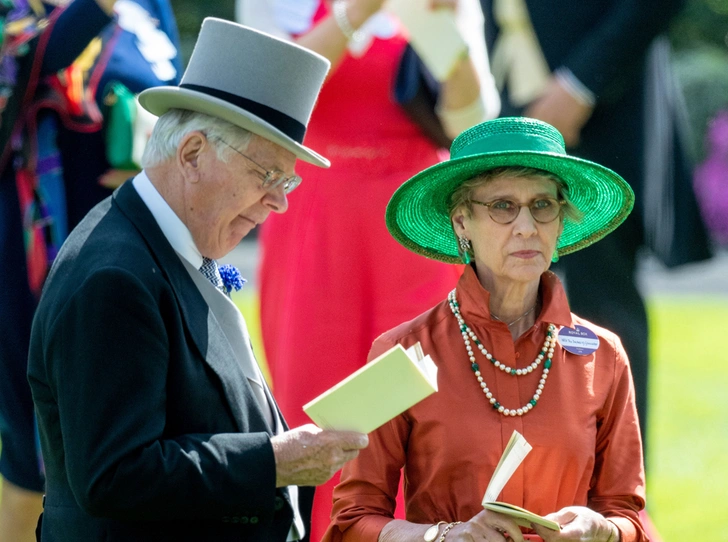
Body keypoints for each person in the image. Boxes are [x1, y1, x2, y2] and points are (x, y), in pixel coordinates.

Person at [27, 18, 368, 541]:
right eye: (267, 176)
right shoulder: (114, 278)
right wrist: (274, 461)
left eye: (288, 181)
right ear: (192, 155)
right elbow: (115, 475)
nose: (279, 201)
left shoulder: (172, 241)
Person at [240, 1, 500, 537]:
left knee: (424, 402)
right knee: (318, 402)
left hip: (418, 222)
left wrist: (442, 32)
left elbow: (470, 124)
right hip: (314, 217)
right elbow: (267, 95)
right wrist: (357, 12)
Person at [324, 117, 647, 542]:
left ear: (561, 219)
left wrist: (603, 529)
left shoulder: (604, 355)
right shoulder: (403, 351)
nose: (527, 226)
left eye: (543, 205)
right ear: (462, 223)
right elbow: (353, 520)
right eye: (502, 207)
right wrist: (441, 538)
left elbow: (630, 516)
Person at [478, 0, 713, 455]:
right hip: (498, 102)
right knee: (500, 314)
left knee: (598, 317)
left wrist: (579, 86)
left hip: (599, 115)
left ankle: (617, 504)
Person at [0, 1, 117, 540]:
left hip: (125, 244)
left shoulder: (148, 12)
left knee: (121, 425)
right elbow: (35, 59)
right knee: (35, 441)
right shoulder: (15, 12)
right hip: (29, 255)